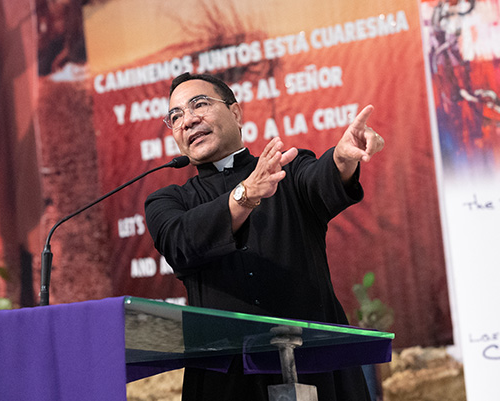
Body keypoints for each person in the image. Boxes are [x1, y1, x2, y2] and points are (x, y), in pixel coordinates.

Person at [144, 72, 385, 401]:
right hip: (226, 382)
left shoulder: (287, 170)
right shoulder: (169, 201)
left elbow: (322, 179)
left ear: (235, 113)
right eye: (176, 116)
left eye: (199, 104)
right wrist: (246, 194)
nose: (187, 121)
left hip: (313, 368)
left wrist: (343, 157)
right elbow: (181, 242)